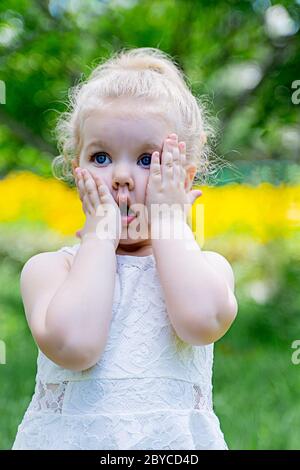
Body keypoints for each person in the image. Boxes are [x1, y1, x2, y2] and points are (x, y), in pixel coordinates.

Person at [12, 47, 238, 450]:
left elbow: (201, 322)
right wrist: (100, 235)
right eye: (101, 157)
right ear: (74, 167)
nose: (120, 176)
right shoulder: (50, 271)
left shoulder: (210, 268)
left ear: (184, 177)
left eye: (147, 159)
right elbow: (75, 346)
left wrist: (169, 221)